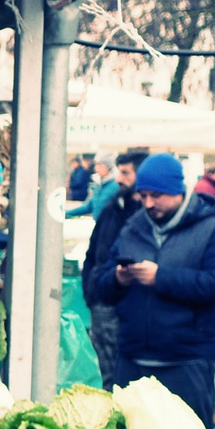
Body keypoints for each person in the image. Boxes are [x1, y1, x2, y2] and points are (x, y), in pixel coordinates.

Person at [87, 152, 215, 424]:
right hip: (132, 362)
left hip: (186, 364)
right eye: (143, 195)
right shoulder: (133, 228)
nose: (148, 203)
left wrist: (162, 278)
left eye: (156, 195)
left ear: (177, 190)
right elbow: (101, 284)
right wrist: (117, 279)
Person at [81, 150, 142, 385]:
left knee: (124, 379)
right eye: (119, 172)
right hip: (102, 301)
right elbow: (93, 249)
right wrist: (91, 288)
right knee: (106, 375)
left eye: (126, 173)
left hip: (126, 305)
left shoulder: (143, 214)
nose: (119, 179)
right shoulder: (113, 206)